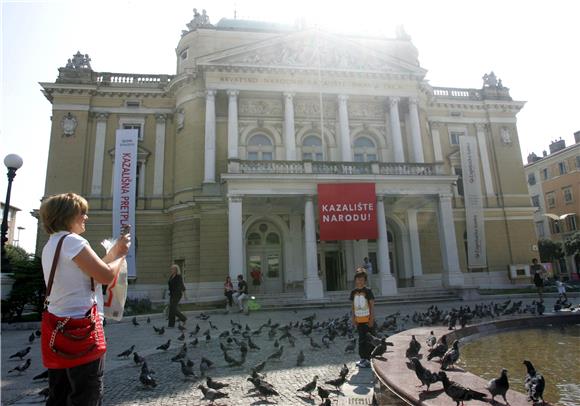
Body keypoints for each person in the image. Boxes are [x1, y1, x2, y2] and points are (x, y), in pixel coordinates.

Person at [39, 192, 130, 406]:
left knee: (59, 393)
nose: (86, 217)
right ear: (67, 215)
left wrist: (115, 251)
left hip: (57, 329)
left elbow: (92, 275)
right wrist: (120, 256)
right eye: (82, 212)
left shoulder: (53, 243)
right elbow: (105, 276)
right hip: (82, 330)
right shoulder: (73, 241)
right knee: (86, 394)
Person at [350, 268, 375, 368]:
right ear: (355, 280)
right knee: (361, 340)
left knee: (368, 340)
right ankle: (362, 358)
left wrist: (371, 318)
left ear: (365, 280)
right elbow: (353, 306)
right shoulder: (353, 292)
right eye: (358, 279)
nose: (359, 281)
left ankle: (369, 359)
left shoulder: (368, 291)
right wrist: (353, 318)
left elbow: (372, 305)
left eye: (362, 279)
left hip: (367, 320)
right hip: (359, 320)